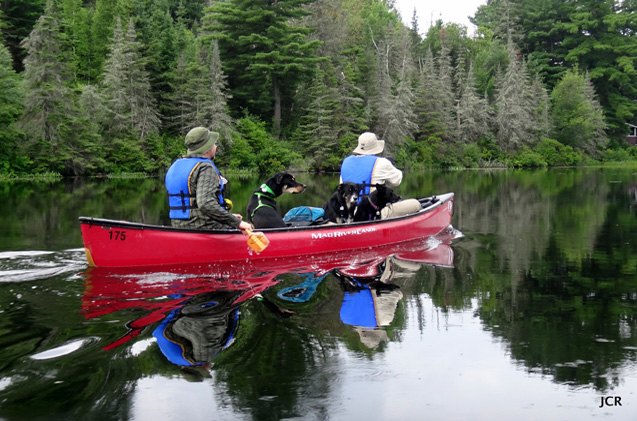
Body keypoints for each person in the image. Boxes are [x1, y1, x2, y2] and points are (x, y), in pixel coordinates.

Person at [165, 127, 252, 231]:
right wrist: (237, 222)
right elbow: (206, 204)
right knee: (250, 228)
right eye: (214, 144)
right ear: (208, 148)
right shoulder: (205, 167)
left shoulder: (176, 165)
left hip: (178, 226)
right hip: (205, 227)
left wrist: (229, 217)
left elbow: (196, 207)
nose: (216, 146)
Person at [340, 132, 420, 219]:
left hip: (348, 212)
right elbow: (397, 180)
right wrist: (390, 165)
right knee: (416, 204)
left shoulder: (345, 162)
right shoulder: (381, 162)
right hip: (372, 213)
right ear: (375, 147)